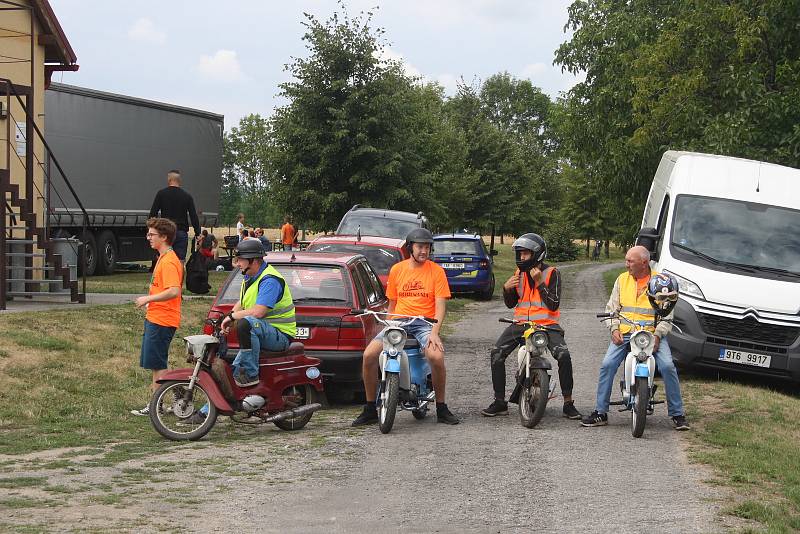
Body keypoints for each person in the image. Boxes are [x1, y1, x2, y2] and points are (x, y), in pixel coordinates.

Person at [352, 228, 459, 426]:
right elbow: (392, 303)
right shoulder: (397, 269)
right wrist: (387, 323)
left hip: (425, 322)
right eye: (420, 247)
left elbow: (441, 305)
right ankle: (369, 408)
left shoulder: (436, 272)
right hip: (399, 320)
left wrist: (435, 333)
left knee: (436, 357)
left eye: (427, 247)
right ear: (411, 247)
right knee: (369, 355)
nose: (424, 251)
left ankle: (442, 407)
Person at [581, 246, 690, 430]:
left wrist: (657, 335)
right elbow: (611, 309)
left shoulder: (661, 282)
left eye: (630, 261)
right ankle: (600, 412)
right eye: (626, 260)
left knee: (668, 366)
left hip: (651, 335)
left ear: (644, 263)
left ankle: (677, 414)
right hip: (624, 333)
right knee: (607, 364)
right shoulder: (622, 280)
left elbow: (667, 317)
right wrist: (614, 329)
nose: (626, 265)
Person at [481, 233, 582, 420]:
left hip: (547, 325)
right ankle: (500, 402)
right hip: (520, 324)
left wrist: (540, 283)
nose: (521, 258)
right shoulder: (518, 273)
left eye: (525, 254)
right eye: (520, 254)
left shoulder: (552, 273)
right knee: (496, 353)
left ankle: (568, 403)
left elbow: (553, 304)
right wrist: (506, 289)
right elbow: (511, 304)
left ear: (537, 254)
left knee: (564, 356)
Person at [220, 239, 296, 387]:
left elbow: (259, 312)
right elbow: (242, 302)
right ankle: (207, 409)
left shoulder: (270, 280)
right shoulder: (249, 276)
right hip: (263, 330)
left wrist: (232, 317)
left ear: (253, 260)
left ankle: (250, 374)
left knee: (246, 324)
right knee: (232, 376)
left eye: (240, 259)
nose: (237, 263)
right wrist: (227, 317)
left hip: (280, 335)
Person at [131, 218, 184, 416]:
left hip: (163, 320)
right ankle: (157, 404)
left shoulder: (169, 261)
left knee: (158, 363)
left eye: (152, 235)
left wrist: (148, 298)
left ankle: (174, 393)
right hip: (156, 317)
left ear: (164, 237)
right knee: (155, 363)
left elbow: (174, 291)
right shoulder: (163, 257)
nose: (148, 238)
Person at [148, 170, 200, 262]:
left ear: (169, 179)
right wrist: (197, 233)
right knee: (180, 260)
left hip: (166, 232)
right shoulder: (187, 196)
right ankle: (178, 276)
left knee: (163, 259)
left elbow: (153, 214)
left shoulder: (161, 194)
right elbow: (193, 216)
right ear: (179, 180)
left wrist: (153, 229)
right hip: (181, 232)